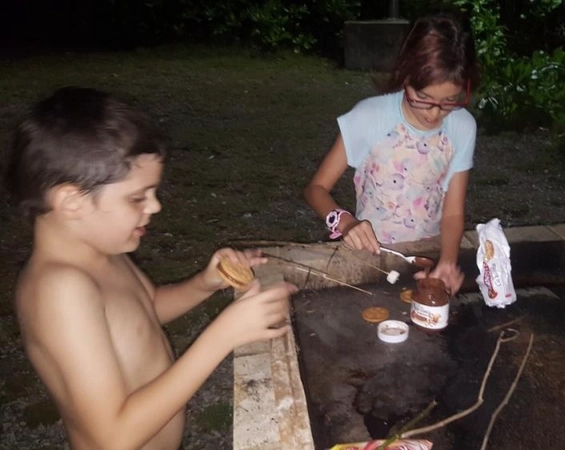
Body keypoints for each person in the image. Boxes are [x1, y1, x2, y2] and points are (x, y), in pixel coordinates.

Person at [4, 86, 295, 450]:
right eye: (137, 197)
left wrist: (205, 283)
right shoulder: (60, 290)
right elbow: (112, 436)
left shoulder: (98, 250)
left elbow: (145, 310)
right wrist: (223, 336)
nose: (155, 207)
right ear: (71, 202)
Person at [304, 14, 480, 294]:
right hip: (370, 256)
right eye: (423, 97)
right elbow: (316, 189)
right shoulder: (369, 117)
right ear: (406, 75)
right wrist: (346, 223)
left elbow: (453, 211)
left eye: (449, 100)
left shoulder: (462, 126)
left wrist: (447, 261)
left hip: (427, 254)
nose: (435, 113)